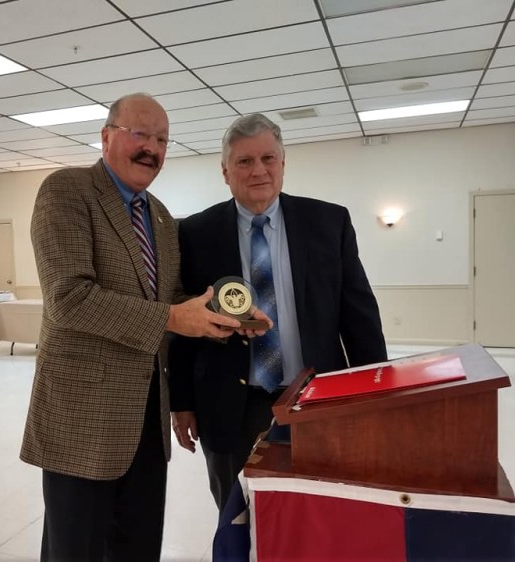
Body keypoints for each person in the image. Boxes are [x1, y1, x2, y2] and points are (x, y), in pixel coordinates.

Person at [20, 93, 246, 562]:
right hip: (82, 419)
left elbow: (176, 299)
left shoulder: (160, 217)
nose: (152, 148)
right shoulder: (67, 191)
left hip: (146, 418)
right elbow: (69, 298)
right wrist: (171, 317)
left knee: (138, 546)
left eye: (162, 139)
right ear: (106, 137)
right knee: (75, 549)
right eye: (139, 134)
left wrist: (230, 316)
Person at [169, 113, 387, 513]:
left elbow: (359, 317)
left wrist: (374, 397)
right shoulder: (196, 233)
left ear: (283, 163)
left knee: (318, 515)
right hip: (229, 405)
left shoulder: (328, 222)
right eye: (244, 161)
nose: (259, 171)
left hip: (314, 398)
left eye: (268, 158)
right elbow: (184, 325)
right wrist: (180, 401)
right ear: (225, 171)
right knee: (237, 517)